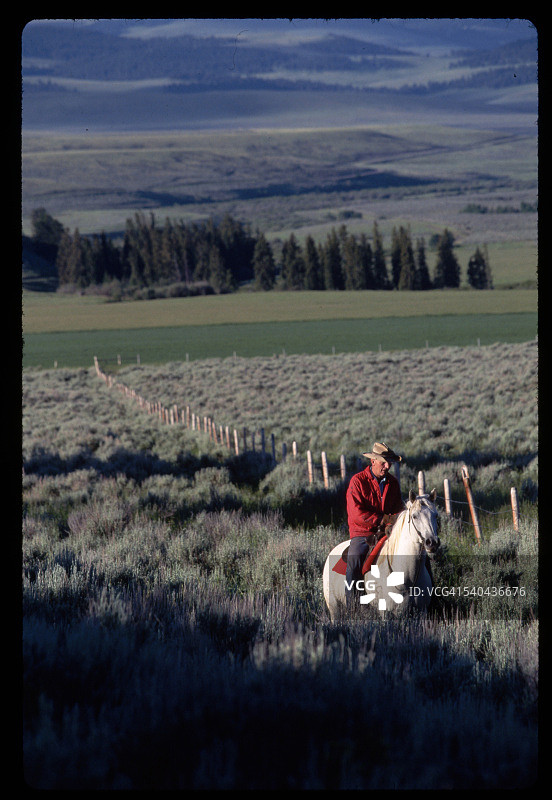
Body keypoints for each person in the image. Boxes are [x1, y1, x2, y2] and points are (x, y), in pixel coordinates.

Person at [345, 441, 405, 609]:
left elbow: (398, 508)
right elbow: (357, 514)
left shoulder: (392, 483)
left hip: (388, 532)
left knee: (419, 555)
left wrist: (395, 520)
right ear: (372, 461)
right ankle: (352, 606)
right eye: (383, 462)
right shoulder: (357, 481)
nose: (387, 466)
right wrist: (383, 519)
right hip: (363, 533)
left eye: (389, 463)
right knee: (355, 560)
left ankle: (431, 598)